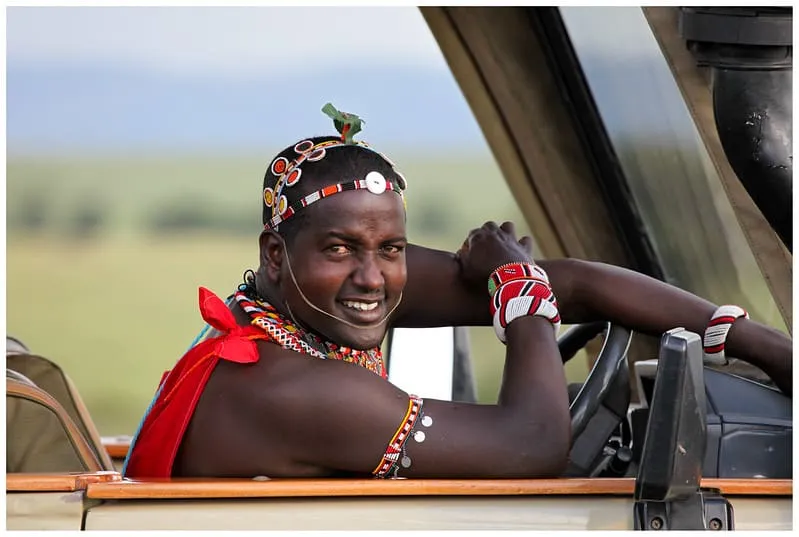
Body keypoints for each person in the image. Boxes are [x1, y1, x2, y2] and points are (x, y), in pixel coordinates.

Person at [123, 104, 792, 480]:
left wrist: (761, 344)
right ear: (276, 255)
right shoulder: (299, 389)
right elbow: (531, 446)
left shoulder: (302, 304)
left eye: (390, 248)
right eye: (339, 248)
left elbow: (581, 283)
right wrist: (520, 295)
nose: (372, 278)